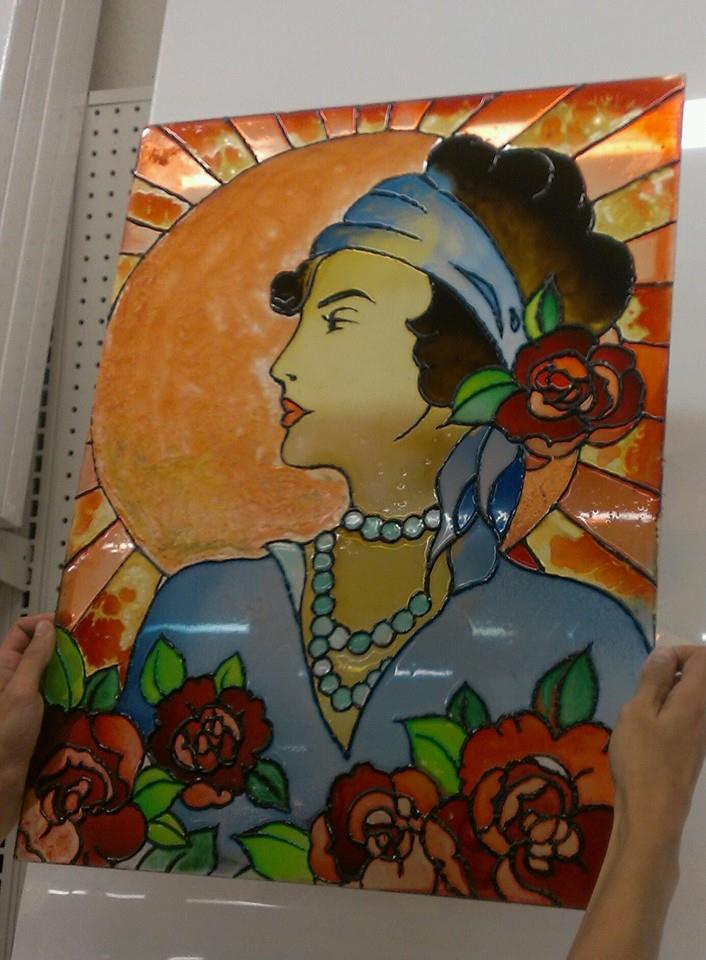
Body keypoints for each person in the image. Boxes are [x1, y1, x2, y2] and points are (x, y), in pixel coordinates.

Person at [0, 615, 704, 960]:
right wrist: (654, 823)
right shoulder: (199, 600)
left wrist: (6, 776)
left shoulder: (572, 620)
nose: (283, 379)